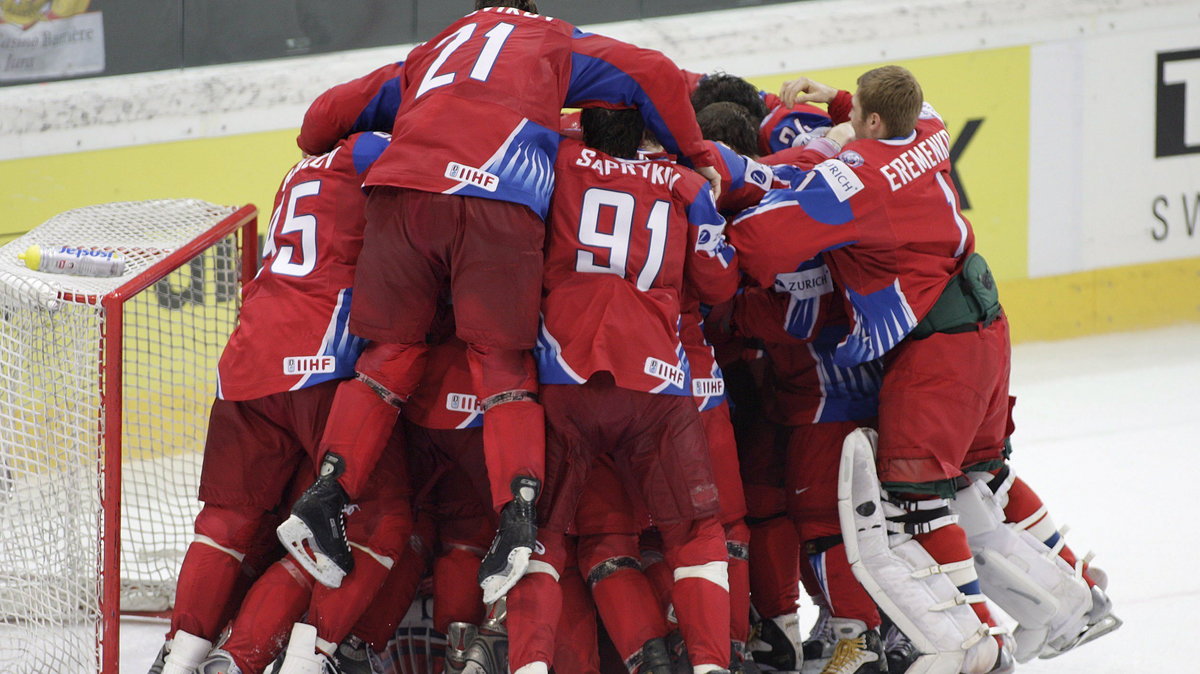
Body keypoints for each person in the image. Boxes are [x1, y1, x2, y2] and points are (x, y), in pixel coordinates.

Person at [280, 0, 723, 605]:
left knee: (391, 350)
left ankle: (327, 492)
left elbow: (320, 120)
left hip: (402, 192)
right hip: (496, 195)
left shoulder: (432, 50)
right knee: (501, 362)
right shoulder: (552, 39)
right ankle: (516, 515)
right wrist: (696, 154)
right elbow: (653, 71)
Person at [731, 65, 1021, 673]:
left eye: (854, 111)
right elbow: (887, 121)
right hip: (977, 321)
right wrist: (836, 104)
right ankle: (1006, 618)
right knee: (975, 478)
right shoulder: (932, 129)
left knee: (915, 500)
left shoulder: (860, 179)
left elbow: (760, 240)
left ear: (871, 121)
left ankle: (975, 638)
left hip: (935, 344)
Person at [149, 131, 393, 674]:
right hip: (323, 366)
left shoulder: (299, 168)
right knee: (353, 522)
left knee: (225, 523)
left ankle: (181, 656)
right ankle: (264, 660)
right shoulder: (374, 148)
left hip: (246, 365)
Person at [505, 107, 737, 674]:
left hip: (566, 376)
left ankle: (529, 665)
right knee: (697, 530)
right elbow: (718, 282)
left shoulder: (554, 164)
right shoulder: (684, 184)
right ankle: (712, 665)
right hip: (656, 380)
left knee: (542, 534)